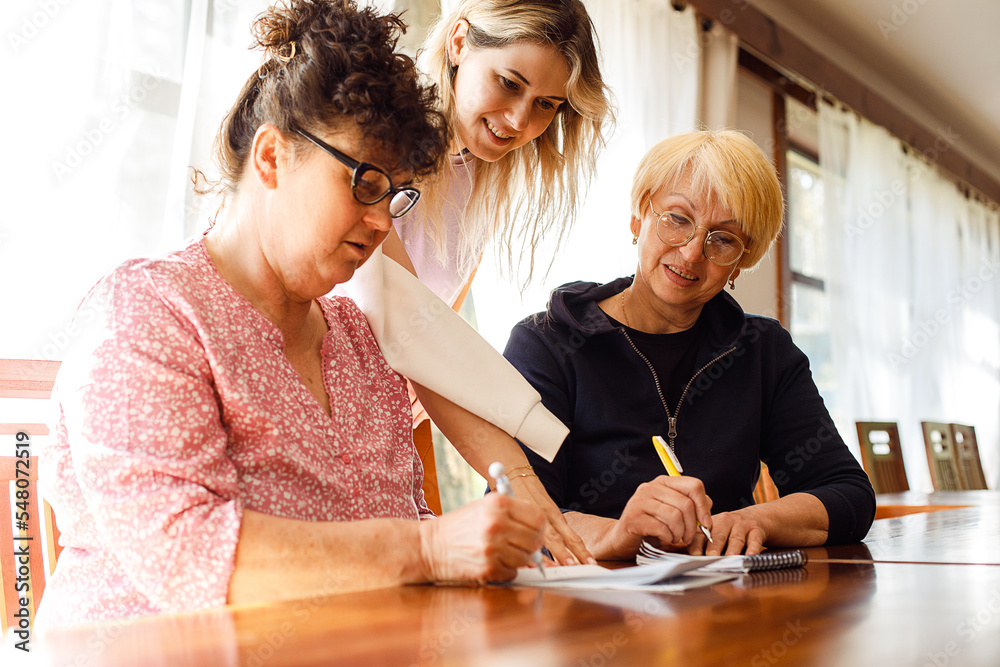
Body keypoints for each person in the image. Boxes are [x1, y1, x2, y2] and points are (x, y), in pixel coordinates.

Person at [36, 0, 545, 631]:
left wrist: (539, 538)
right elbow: (189, 558)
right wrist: (430, 551)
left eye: (397, 194)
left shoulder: (359, 342)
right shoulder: (146, 318)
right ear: (272, 158)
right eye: (364, 183)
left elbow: (404, 532)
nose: (385, 221)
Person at [503, 130, 877, 560]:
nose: (693, 252)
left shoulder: (762, 350)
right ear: (638, 217)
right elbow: (520, 511)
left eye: (723, 238)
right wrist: (620, 534)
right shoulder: (545, 343)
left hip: (725, 604)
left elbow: (848, 494)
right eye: (678, 219)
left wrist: (751, 520)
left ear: (742, 260)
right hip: (582, 608)